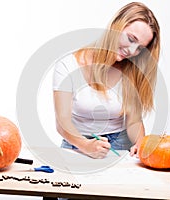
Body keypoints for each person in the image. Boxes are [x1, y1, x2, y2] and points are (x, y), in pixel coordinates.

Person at [53, 2, 160, 159]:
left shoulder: (131, 69)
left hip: (121, 146)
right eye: (131, 39)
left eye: (139, 48)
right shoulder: (68, 64)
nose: (131, 51)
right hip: (76, 145)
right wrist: (86, 146)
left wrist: (140, 143)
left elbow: (134, 121)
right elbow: (62, 122)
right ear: (117, 25)